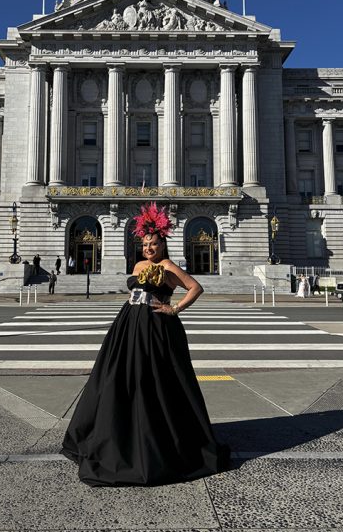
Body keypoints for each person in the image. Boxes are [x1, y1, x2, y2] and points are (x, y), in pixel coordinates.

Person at [61, 202, 230, 487]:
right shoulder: (138, 264)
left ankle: (158, 438)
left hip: (156, 327)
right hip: (128, 325)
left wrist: (174, 309)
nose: (148, 247)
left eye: (153, 243)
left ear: (163, 245)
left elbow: (196, 288)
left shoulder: (168, 266)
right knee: (117, 378)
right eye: (145, 243)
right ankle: (120, 433)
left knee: (155, 381)